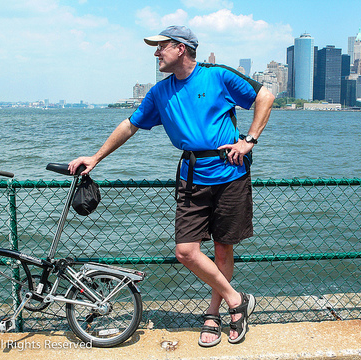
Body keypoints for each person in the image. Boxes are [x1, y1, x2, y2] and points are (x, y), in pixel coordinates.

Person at [68, 25, 274, 347]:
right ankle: (238, 300)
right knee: (186, 251)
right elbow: (130, 125)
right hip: (192, 178)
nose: (155, 53)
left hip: (231, 173)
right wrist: (96, 158)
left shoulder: (217, 76)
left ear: (180, 48)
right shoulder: (160, 93)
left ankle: (214, 313)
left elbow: (265, 95)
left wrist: (250, 140)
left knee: (223, 247)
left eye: (160, 46)